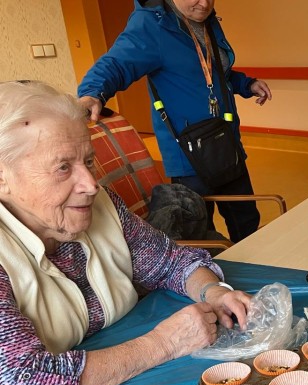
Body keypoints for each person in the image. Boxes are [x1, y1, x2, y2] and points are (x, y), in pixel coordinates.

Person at [0, 80, 256, 385]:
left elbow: (170, 262)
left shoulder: (101, 205)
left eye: (89, 162)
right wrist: (164, 343)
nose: (91, 185)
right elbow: (22, 384)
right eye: (63, 167)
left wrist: (214, 291)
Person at [78, 0, 272, 243]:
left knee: (246, 220)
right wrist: (92, 93)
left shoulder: (206, 20)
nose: (205, 3)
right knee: (200, 232)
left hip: (225, 141)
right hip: (190, 152)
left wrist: (246, 84)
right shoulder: (152, 24)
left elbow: (213, 71)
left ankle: (258, 270)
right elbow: (116, 63)